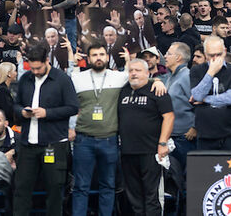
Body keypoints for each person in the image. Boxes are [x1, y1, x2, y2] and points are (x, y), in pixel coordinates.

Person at [13, 41, 79, 216]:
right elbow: (15, 105)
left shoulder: (62, 79)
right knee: (21, 188)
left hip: (54, 144)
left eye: (38, 68)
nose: (35, 72)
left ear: (47, 61)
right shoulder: (25, 79)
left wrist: (47, 113)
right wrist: (22, 112)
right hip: (28, 143)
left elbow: (73, 107)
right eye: (32, 68)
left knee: (55, 189)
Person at [69, 41, 129, 216]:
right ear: (88, 59)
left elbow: (140, 77)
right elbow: (69, 105)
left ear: (108, 57)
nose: (98, 58)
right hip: (83, 140)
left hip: (109, 139)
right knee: (80, 187)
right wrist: (73, 64)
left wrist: (157, 81)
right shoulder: (78, 78)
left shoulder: (119, 77)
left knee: (108, 186)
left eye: (102, 54)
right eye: (94, 55)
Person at [118, 58, 174, 216]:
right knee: (134, 197)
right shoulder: (123, 90)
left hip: (151, 152)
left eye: (138, 70)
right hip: (128, 152)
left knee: (152, 196)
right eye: (131, 71)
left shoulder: (157, 90)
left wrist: (163, 143)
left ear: (148, 72)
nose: (133, 73)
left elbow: (169, 117)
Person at [189, 35, 231, 150]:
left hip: (230, 133)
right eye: (211, 55)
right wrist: (211, 72)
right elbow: (197, 95)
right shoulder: (196, 70)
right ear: (205, 54)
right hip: (205, 133)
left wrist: (205, 99)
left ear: (225, 51)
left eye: (219, 54)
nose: (215, 58)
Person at [162, 41, 195, 214]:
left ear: (179, 57)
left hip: (185, 138)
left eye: (168, 53)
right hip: (172, 137)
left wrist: (195, 127)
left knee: (185, 184)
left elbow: (200, 102)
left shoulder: (187, 76)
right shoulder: (170, 76)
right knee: (173, 184)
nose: (165, 56)